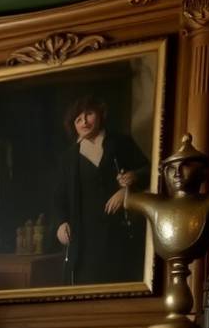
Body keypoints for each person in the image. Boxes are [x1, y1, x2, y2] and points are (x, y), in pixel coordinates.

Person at [53, 95, 149, 284]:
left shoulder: (121, 143)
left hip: (120, 234)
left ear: (100, 113)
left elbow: (151, 171)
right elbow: (59, 197)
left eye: (89, 114)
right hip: (85, 239)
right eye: (78, 119)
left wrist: (128, 190)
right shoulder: (69, 158)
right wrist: (61, 223)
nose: (84, 122)